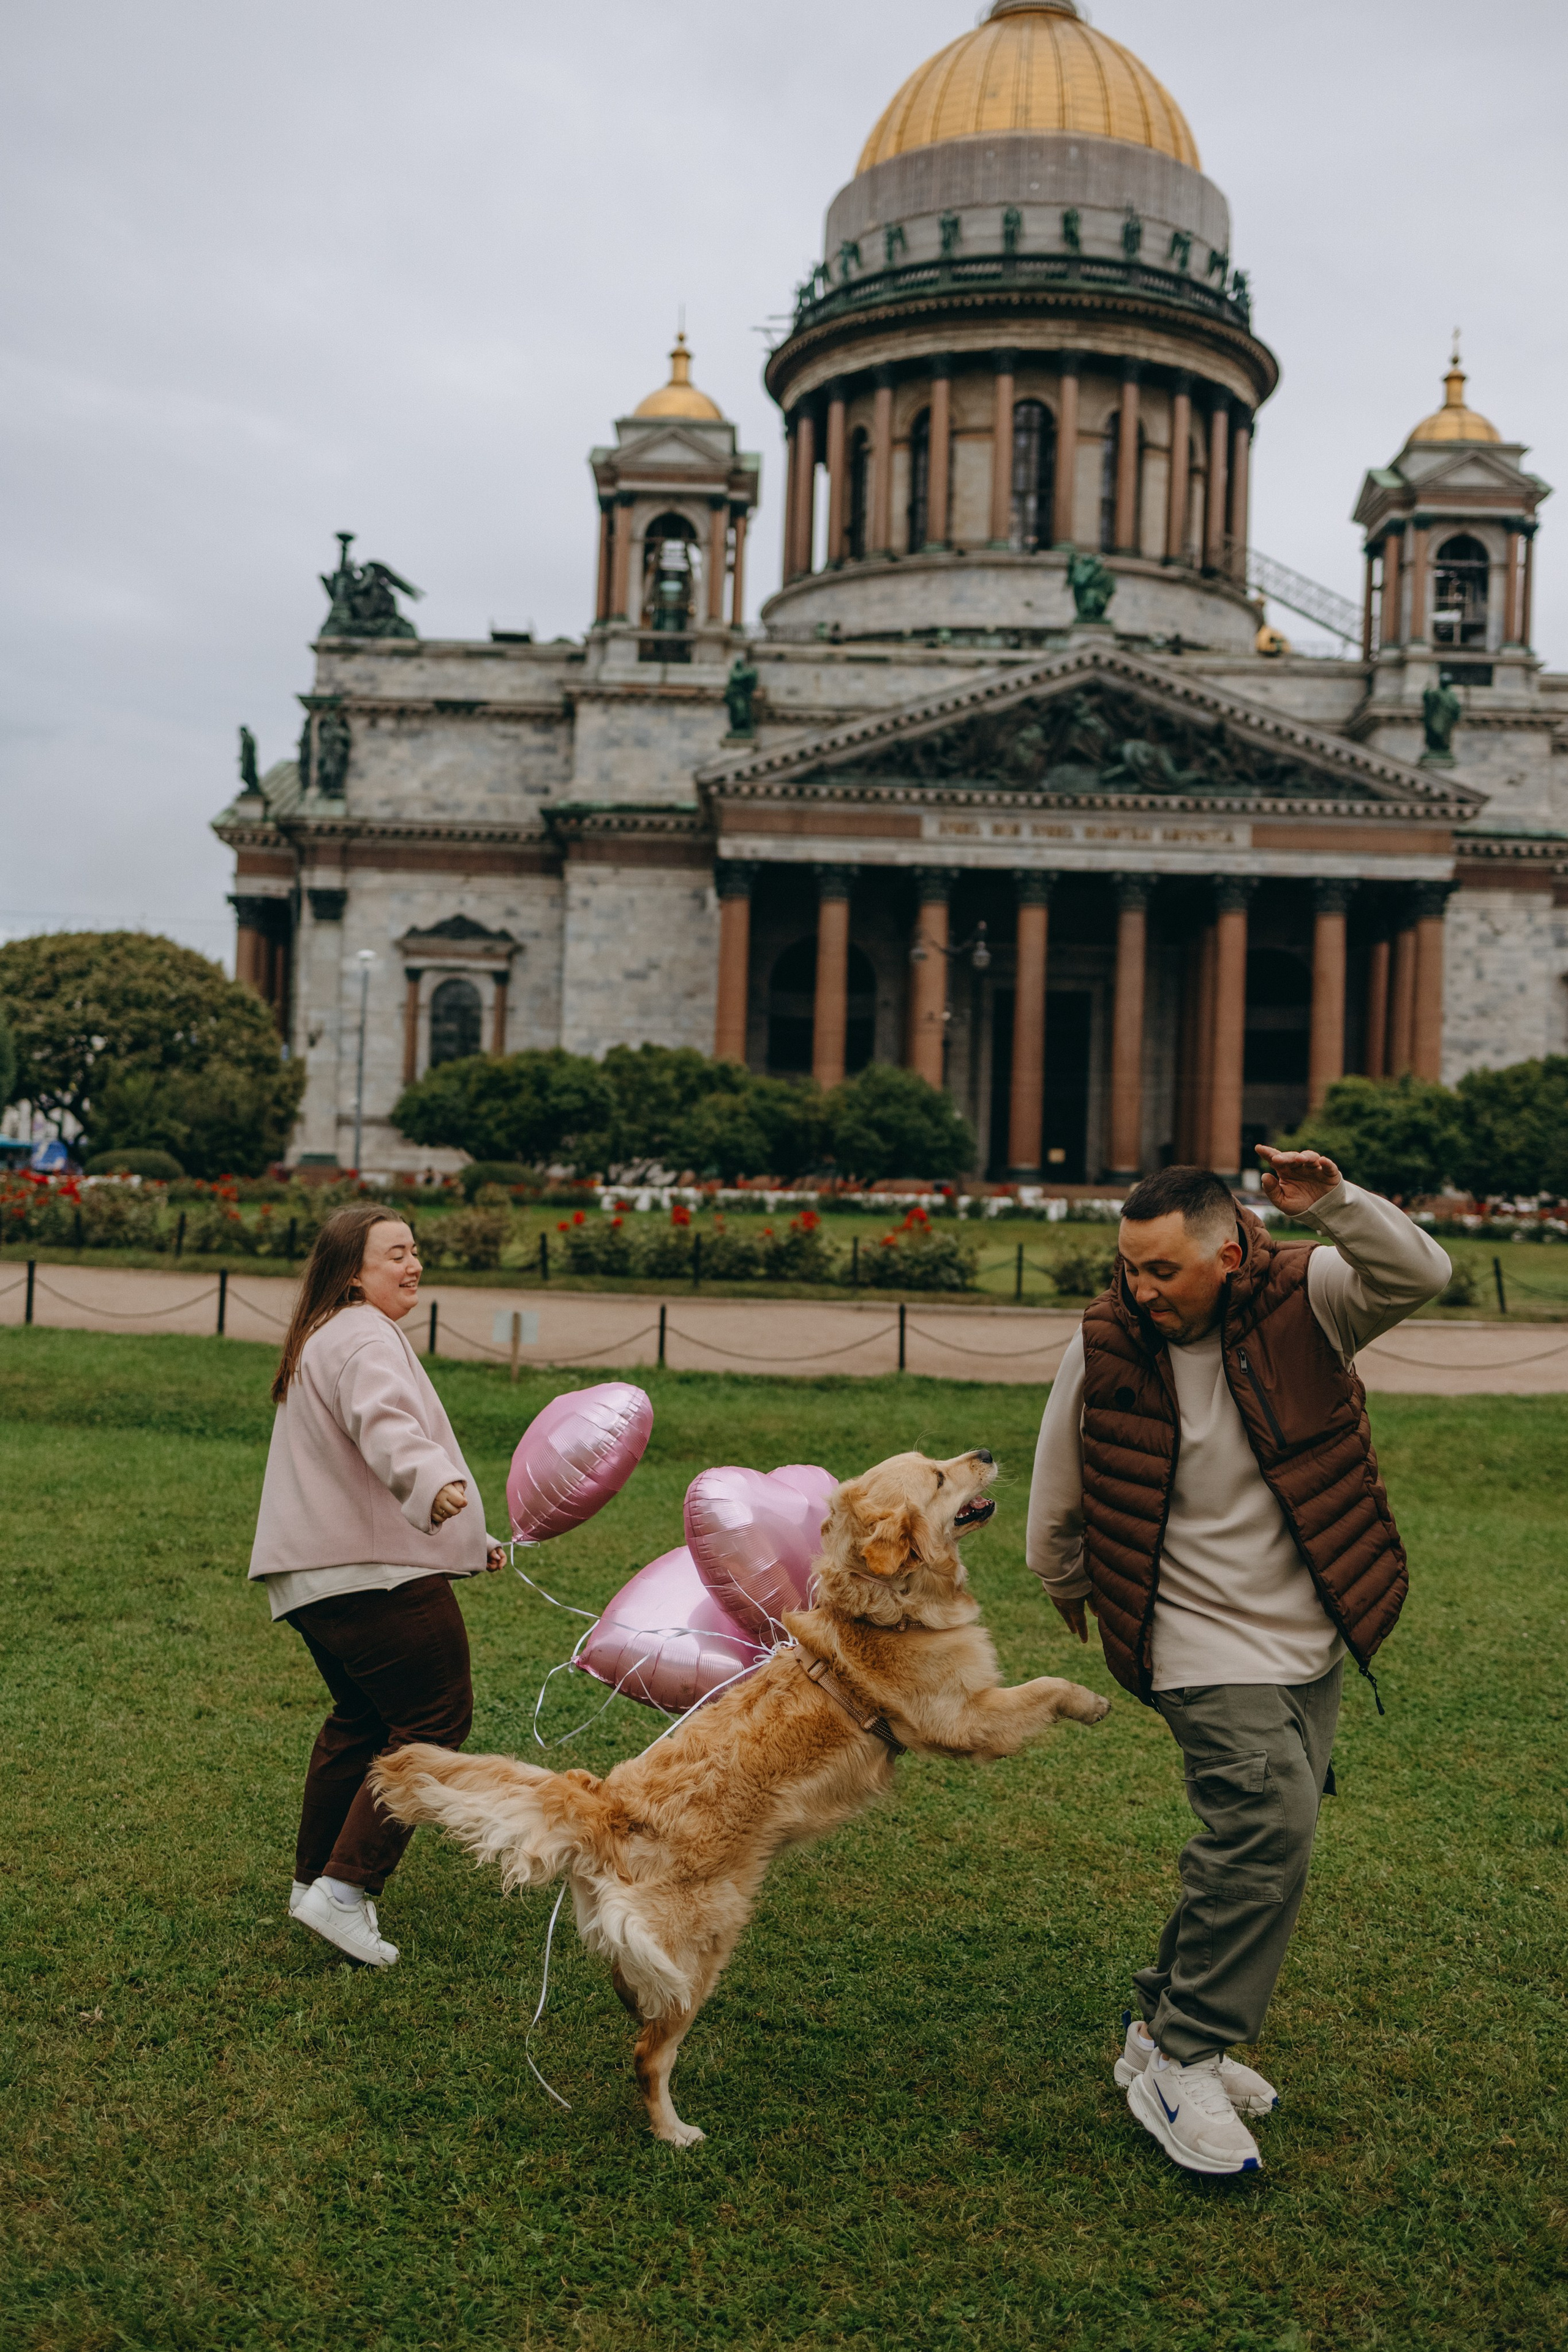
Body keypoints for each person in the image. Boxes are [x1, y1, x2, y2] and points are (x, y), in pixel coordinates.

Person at [1026, 1147, 1449, 2176]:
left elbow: (1421, 1275)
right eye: (1130, 1267)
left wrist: (1338, 1204)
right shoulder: (1108, 1342)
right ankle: (1182, 2058)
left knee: (1264, 1842)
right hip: (1191, 1637)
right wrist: (1068, 1579)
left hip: (1310, 1629)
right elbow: (1059, 1481)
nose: (1139, 1289)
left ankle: (1153, 2026)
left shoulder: (1313, 1301)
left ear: (1229, 1250)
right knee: (1269, 1821)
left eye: (1162, 1271)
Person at [251, 1204, 505, 1966]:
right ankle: (345, 1891)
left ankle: (312, 1884)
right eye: (396, 1254)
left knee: (360, 1719)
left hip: (319, 1574)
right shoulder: (362, 1333)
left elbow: (353, 1468)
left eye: (415, 1250)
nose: (413, 1264)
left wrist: (468, 1534)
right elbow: (385, 1424)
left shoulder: (328, 1333)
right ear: (352, 1271)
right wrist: (433, 1484)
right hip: (368, 1576)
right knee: (434, 1719)